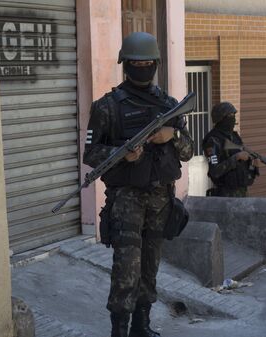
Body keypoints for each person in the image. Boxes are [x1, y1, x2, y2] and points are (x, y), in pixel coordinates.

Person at [83, 32, 193, 337]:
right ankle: (119, 331)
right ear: (126, 65)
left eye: (147, 62)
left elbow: (188, 151)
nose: (142, 67)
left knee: (149, 269)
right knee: (125, 272)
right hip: (126, 203)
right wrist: (122, 154)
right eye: (136, 63)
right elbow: (90, 153)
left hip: (160, 201)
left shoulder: (170, 106)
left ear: (156, 64)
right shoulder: (106, 107)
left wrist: (172, 135)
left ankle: (141, 328)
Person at [202, 102, 261, 197]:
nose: (233, 118)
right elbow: (215, 171)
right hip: (225, 196)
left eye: (234, 115)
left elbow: (242, 165)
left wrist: (253, 166)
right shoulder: (213, 140)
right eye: (230, 115)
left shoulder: (234, 137)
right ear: (221, 118)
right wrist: (236, 157)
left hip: (242, 193)